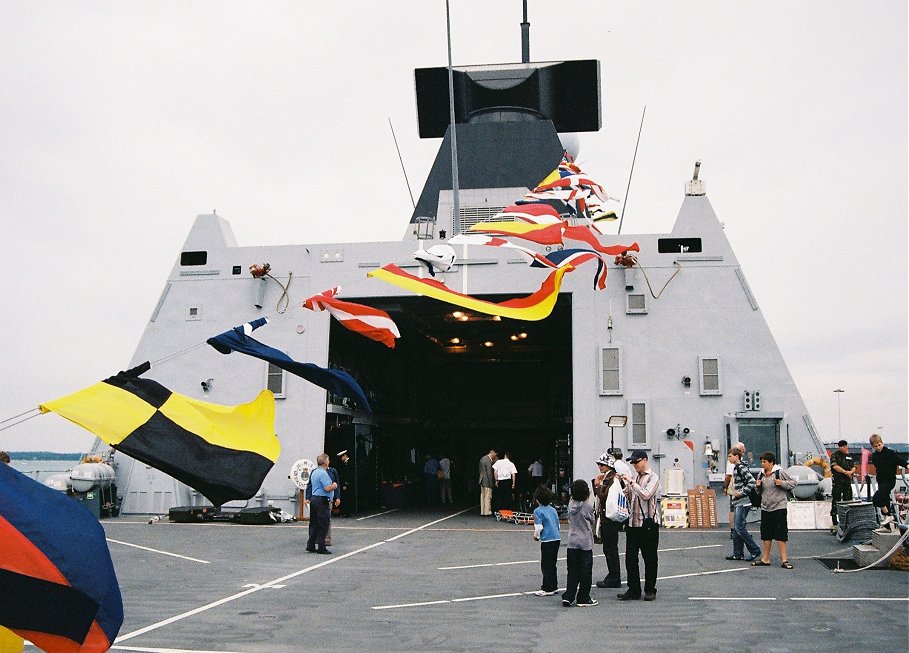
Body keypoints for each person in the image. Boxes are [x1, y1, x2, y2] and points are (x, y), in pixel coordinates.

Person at [618, 450, 661, 601]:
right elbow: (629, 495)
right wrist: (623, 485)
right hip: (633, 523)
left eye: (636, 462)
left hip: (648, 523)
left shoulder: (653, 477)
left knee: (649, 558)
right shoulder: (635, 477)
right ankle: (633, 589)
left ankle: (650, 589)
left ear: (645, 460)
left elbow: (646, 494)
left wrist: (631, 482)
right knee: (630, 558)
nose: (634, 465)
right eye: (633, 463)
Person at [751, 451, 797, 569]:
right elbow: (759, 492)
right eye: (761, 461)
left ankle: (784, 559)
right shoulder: (761, 474)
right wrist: (757, 486)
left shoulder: (779, 472)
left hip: (779, 507)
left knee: (781, 533)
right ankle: (765, 558)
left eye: (764, 462)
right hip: (766, 507)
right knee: (766, 534)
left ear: (771, 462)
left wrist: (781, 483)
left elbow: (793, 483)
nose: (762, 464)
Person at [561, 479, 597, 607]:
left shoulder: (571, 504)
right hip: (585, 542)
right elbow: (592, 520)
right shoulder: (588, 506)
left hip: (572, 541)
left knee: (572, 570)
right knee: (586, 571)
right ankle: (583, 597)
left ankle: (569, 595)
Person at [592, 452, 623, 589]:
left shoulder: (612, 479)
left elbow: (604, 497)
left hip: (609, 518)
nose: (599, 466)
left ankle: (614, 577)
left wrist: (597, 485)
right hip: (609, 517)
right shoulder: (610, 477)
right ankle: (613, 576)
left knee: (610, 548)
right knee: (609, 548)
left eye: (602, 464)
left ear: (608, 465)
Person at [725, 449, 761, 562]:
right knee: (736, 529)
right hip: (739, 501)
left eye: (730, 456)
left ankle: (754, 549)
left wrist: (741, 493)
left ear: (736, 456)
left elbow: (751, 481)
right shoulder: (737, 467)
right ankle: (738, 553)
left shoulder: (740, 467)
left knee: (739, 528)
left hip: (743, 501)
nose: (728, 458)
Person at [868, 433, 909, 531]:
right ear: (872, 446)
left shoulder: (890, 453)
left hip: (889, 480)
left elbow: (900, 460)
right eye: (875, 446)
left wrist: (907, 465)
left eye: (879, 445)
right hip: (881, 481)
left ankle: (889, 515)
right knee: (885, 501)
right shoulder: (874, 456)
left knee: (877, 498)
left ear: (882, 443)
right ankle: (887, 527)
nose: (878, 447)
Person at [305, 453, 337, 554]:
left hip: (314, 499)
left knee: (314, 523)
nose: (329, 462)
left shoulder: (314, 472)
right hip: (322, 500)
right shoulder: (323, 473)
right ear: (325, 462)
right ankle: (321, 547)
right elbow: (327, 488)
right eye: (328, 460)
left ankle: (311, 544)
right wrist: (334, 486)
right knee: (323, 524)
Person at [532, 486, 561, 596]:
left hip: (547, 540)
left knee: (546, 564)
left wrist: (536, 537)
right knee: (552, 563)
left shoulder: (538, 511)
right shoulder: (553, 509)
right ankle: (553, 585)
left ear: (537, 499)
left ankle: (548, 587)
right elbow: (557, 524)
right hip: (556, 538)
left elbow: (538, 527)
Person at [829, 439, 855, 528]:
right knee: (836, 500)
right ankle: (835, 521)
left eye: (845, 446)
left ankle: (846, 521)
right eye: (841, 446)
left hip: (847, 482)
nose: (843, 448)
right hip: (838, 481)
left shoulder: (849, 456)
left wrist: (850, 472)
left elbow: (854, 467)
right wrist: (845, 472)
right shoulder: (835, 455)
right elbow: (835, 466)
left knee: (848, 500)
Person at [723, 441, 746, 538]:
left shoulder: (740, 462)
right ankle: (735, 530)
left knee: (736, 508)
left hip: (738, 487)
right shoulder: (733, 463)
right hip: (736, 487)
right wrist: (726, 487)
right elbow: (728, 476)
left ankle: (738, 529)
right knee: (734, 508)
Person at [478, 450, 497, 516]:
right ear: (492, 453)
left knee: (482, 496)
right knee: (488, 496)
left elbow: (480, 470)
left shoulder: (482, 459)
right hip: (487, 481)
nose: (494, 456)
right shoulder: (488, 460)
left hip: (481, 479)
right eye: (494, 455)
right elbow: (489, 473)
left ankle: (482, 511)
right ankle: (487, 511)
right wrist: (491, 482)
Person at [336, 449, 352, 516]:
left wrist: (346, 483)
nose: (341, 459)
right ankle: (344, 512)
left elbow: (348, 474)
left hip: (347, 484)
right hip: (344, 484)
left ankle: (347, 512)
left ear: (345, 456)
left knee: (346, 498)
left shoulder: (349, 463)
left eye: (342, 457)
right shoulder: (345, 463)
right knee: (345, 498)